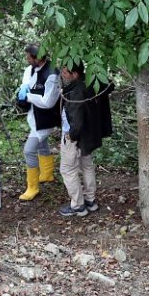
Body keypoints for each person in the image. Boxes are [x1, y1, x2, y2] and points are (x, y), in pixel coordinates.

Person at [58, 61, 114, 216]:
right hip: (88, 136)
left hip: (76, 136)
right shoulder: (91, 84)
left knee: (68, 169)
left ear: (75, 74)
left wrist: (71, 136)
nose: (63, 74)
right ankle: (90, 200)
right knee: (87, 166)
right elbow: (109, 84)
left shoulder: (77, 91)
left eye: (66, 72)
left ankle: (78, 206)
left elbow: (77, 118)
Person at [16, 44, 61, 201]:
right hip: (35, 115)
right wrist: (23, 87)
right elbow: (27, 79)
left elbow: (48, 102)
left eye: (29, 57)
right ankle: (47, 174)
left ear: (38, 58)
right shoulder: (32, 68)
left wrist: (28, 96)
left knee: (29, 150)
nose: (27, 60)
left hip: (47, 117)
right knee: (42, 143)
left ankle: (32, 187)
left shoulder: (52, 75)